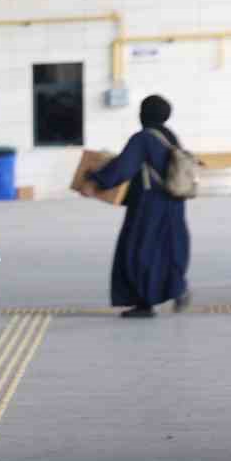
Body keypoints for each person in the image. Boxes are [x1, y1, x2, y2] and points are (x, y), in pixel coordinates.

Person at [90, 94, 192, 318]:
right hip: (173, 203)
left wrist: (97, 178)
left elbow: (123, 168)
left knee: (138, 250)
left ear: (144, 114)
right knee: (169, 249)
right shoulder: (169, 136)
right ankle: (177, 287)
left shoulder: (143, 138)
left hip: (149, 205)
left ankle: (144, 303)